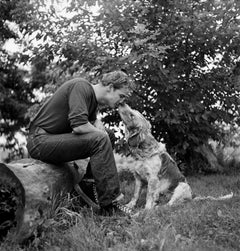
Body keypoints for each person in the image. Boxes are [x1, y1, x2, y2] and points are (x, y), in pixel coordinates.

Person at [26, 70, 133, 216]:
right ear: (110, 87)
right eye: (121, 96)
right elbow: (79, 126)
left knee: (108, 135)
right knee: (101, 138)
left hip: (51, 141)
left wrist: (98, 125)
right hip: (39, 142)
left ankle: (88, 185)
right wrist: (98, 131)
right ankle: (110, 204)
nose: (120, 101)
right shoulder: (81, 86)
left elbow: (91, 128)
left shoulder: (92, 103)